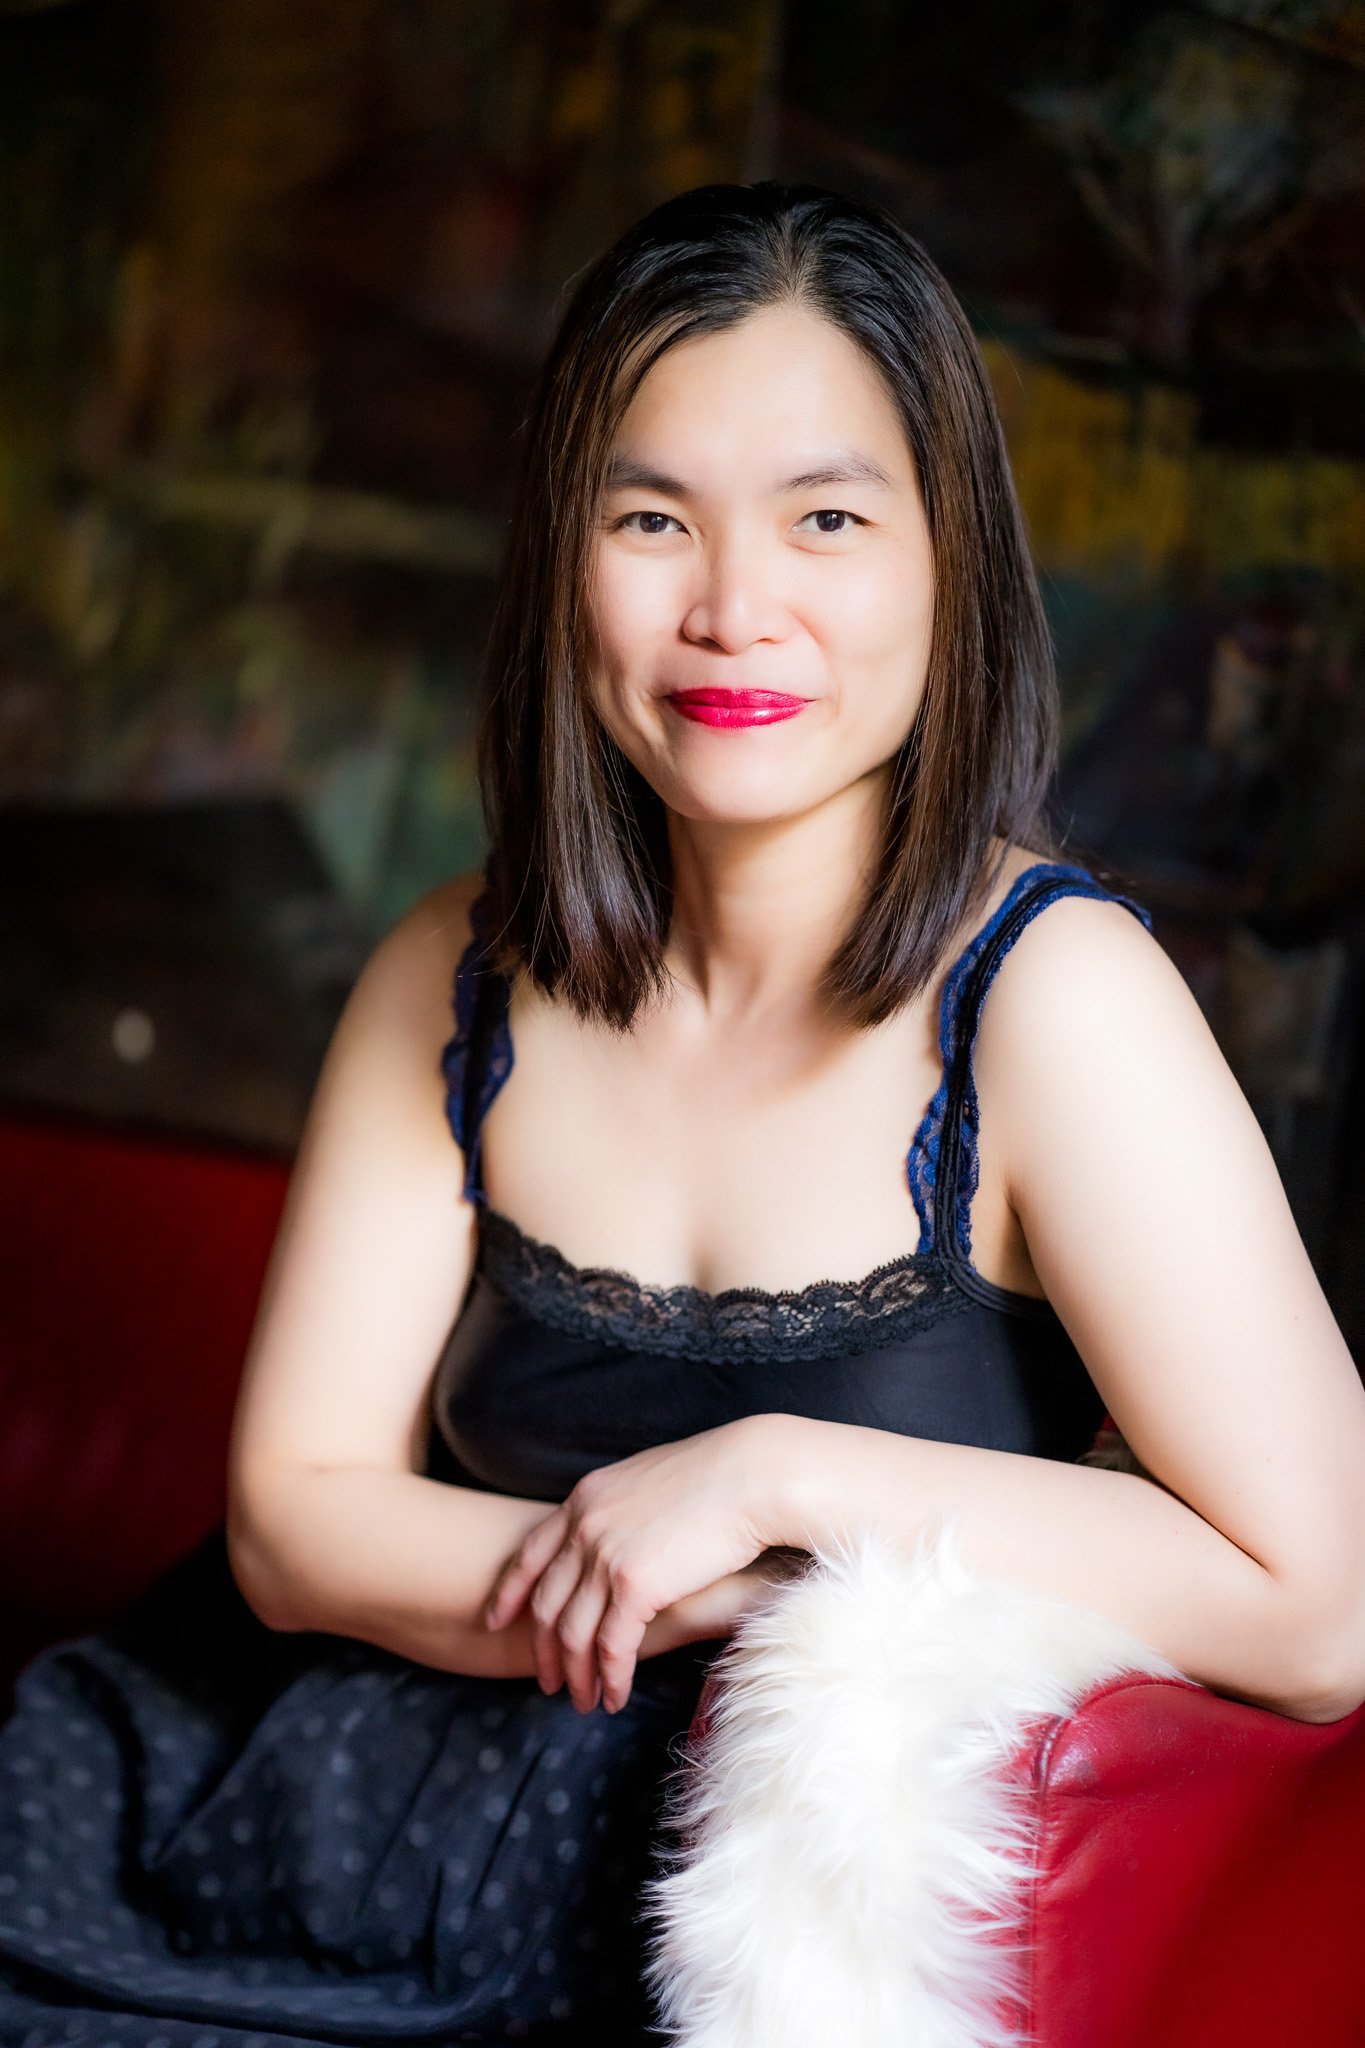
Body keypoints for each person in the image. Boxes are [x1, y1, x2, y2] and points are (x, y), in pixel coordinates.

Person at [2, 179, 1363, 2048]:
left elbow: (1317, 1606)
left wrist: (775, 1480)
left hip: (671, 1927)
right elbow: (291, 1518)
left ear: (946, 557)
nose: (734, 610)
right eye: (652, 519)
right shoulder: (457, 965)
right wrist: (633, 1582)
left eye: (825, 518)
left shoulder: (1053, 999)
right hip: (250, 1808)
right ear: (565, 553)